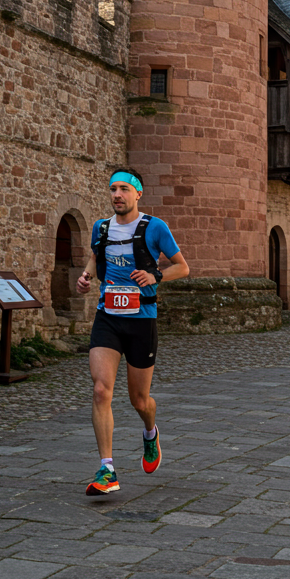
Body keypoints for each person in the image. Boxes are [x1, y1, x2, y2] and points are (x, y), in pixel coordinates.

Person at [76, 168, 189, 495]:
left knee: (139, 400)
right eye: (113, 189)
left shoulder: (155, 228)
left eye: (124, 189)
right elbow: (95, 258)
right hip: (108, 317)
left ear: (138, 193)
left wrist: (157, 276)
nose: (117, 195)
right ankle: (107, 469)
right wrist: (85, 277)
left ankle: (150, 432)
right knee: (101, 390)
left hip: (141, 320)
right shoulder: (101, 227)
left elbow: (183, 266)